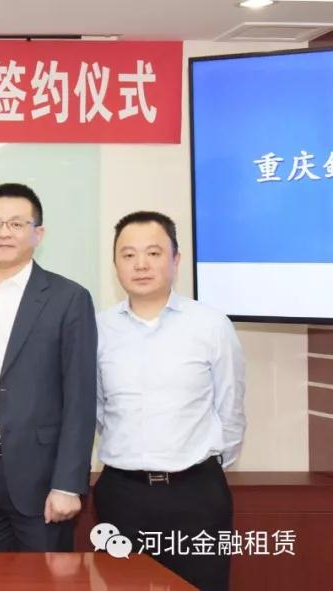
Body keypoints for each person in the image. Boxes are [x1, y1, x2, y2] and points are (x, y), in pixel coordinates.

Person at [0, 182, 97, 551]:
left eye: (15, 224)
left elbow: (80, 397)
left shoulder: (68, 298)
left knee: (46, 577)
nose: (3, 232)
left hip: (42, 476)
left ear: (38, 233)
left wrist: (68, 483)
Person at [94, 211, 245, 591]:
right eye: (128, 255)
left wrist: (202, 466)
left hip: (196, 495)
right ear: (115, 264)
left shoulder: (211, 325)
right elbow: (97, 409)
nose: (141, 265)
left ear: (175, 259)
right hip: (122, 495)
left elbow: (231, 409)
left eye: (153, 253)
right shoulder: (98, 329)